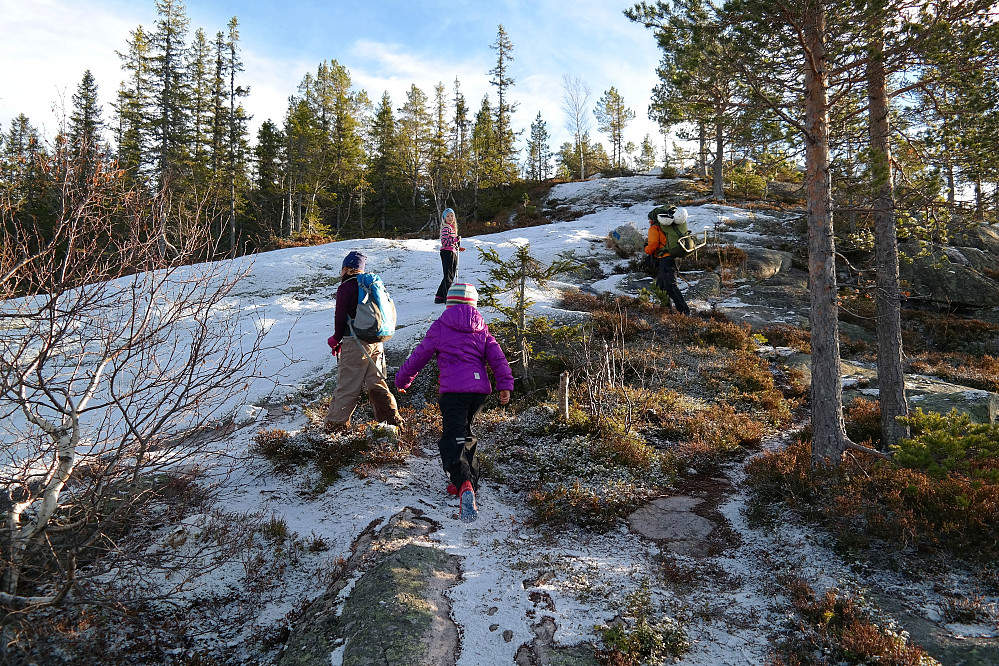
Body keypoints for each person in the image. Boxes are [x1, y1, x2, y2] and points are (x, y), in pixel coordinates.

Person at [395, 283, 514, 523]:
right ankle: (469, 480)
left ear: (450, 303)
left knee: (452, 436)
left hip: (453, 391)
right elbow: (497, 357)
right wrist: (505, 385)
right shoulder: (481, 328)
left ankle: (463, 483)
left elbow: (421, 354)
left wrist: (403, 379)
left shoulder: (441, 326)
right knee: (465, 433)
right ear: (473, 304)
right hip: (478, 393)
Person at [325, 251, 404, 430]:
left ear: (346, 268)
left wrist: (336, 339)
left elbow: (340, 317)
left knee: (347, 386)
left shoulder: (346, 287)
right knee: (377, 383)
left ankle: (334, 428)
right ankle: (392, 424)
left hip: (355, 342)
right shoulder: (370, 285)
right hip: (375, 341)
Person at [645, 205, 692, 316]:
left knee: (670, 286)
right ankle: (666, 310)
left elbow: (653, 245)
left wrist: (646, 249)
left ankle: (684, 311)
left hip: (666, 259)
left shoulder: (655, 228)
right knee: (660, 285)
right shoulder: (671, 227)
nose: (649, 221)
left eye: (650, 219)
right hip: (676, 257)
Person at [434, 208, 465, 304]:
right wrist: (455, 240)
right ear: (444, 218)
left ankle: (439, 296)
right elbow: (444, 242)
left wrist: (458, 247)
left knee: (449, 275)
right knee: (448, 276)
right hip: (447, 253)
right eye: (448, 216)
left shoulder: (451, 228)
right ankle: (447, 298)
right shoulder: (446, 228)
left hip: (451, 251)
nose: (450, 218)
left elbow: (450, 242)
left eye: (452, 216)